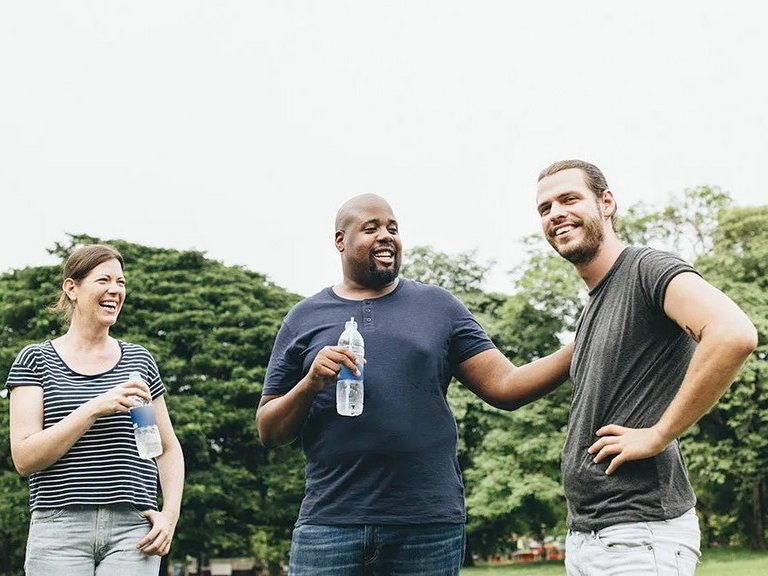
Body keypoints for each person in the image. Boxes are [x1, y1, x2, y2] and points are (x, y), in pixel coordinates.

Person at [256, 193, 574, 575]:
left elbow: (506, 386)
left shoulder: (439, 307)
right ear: (340, 240)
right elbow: (269, 430)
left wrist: (581, 343)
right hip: (330, 524)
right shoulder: (303, 318)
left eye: (392, 228)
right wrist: (309, 383)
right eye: (370, 228)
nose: (386, 236)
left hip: (426, 526)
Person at [535, 159, 757, 576]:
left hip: (639, 536)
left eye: (569, 199)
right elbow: (512, 384)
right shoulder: (594, 308)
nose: (556, 214)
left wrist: (658, 434)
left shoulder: (645, 269)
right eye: (545, 209)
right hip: (590, 535)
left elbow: (733, 333)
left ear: (606, 203)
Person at [5, 244, 185, 576]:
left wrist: (169, 515)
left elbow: (167, 447)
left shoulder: (139, 361)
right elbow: (25, 457)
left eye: (121, 282)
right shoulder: (35, 360)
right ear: (71, 288)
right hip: (59, 528)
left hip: (134, 530)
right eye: (104, 280)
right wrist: (93, 408)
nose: (115, 290)